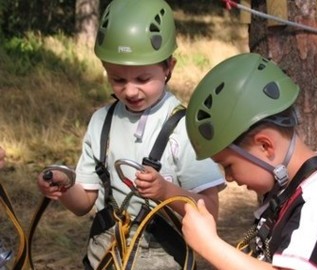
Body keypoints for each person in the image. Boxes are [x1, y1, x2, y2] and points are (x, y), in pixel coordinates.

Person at [36, 0, 225, 269]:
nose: (130, 91)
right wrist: (64, 186)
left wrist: (165, 191)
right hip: (105, 257)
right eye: (118, 80)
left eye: (142, 79)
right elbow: (83, 204)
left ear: (169, 67)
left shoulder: (184, 128)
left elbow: (210, 212)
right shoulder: (102, 122)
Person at [182, 53, 317, 269]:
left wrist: (209, 245)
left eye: (228, 165)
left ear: (265, 146)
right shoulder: (288, 188)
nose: (229, 178)